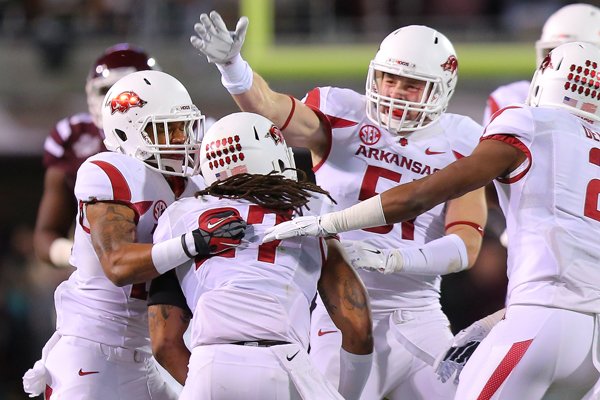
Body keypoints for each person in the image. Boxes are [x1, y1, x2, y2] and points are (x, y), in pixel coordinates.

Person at [264, 41, 600, 399]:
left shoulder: (528, 123)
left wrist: (330, 223)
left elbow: (419, 196)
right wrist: (494, 320)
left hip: (541, 321)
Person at [190, 11, 487, 399]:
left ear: (441, 89)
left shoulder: (464, 141)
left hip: (419, 314)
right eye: (388, 78)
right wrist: (234, 67)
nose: (395, 92)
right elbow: (270, 108)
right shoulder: (342, 114)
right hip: (339, 312)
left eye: (411, 85)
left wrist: (394, 260)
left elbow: (467, 244)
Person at [22, 70, 246, 399]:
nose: (181, 138)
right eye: (166, 129)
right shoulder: (109, 172)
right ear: (129, 135)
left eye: (183, 127)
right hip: (92, 353)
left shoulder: (192, 187)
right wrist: (194, 242)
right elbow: (118, 265)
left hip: (146, 355)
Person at [147, 111, 373, 399]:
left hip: (209, 365)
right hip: (282, 362)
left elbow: (164, 342)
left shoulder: (178, 215)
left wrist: (206, 382)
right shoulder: (312, 204)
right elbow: (357, 323)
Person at [33, 43, 160, 270]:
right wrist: (75, 255)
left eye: (126, 91)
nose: (117, 102)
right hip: (106, 273)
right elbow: (46, 233)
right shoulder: (72, 138)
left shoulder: (179, 133)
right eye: (106, 90)